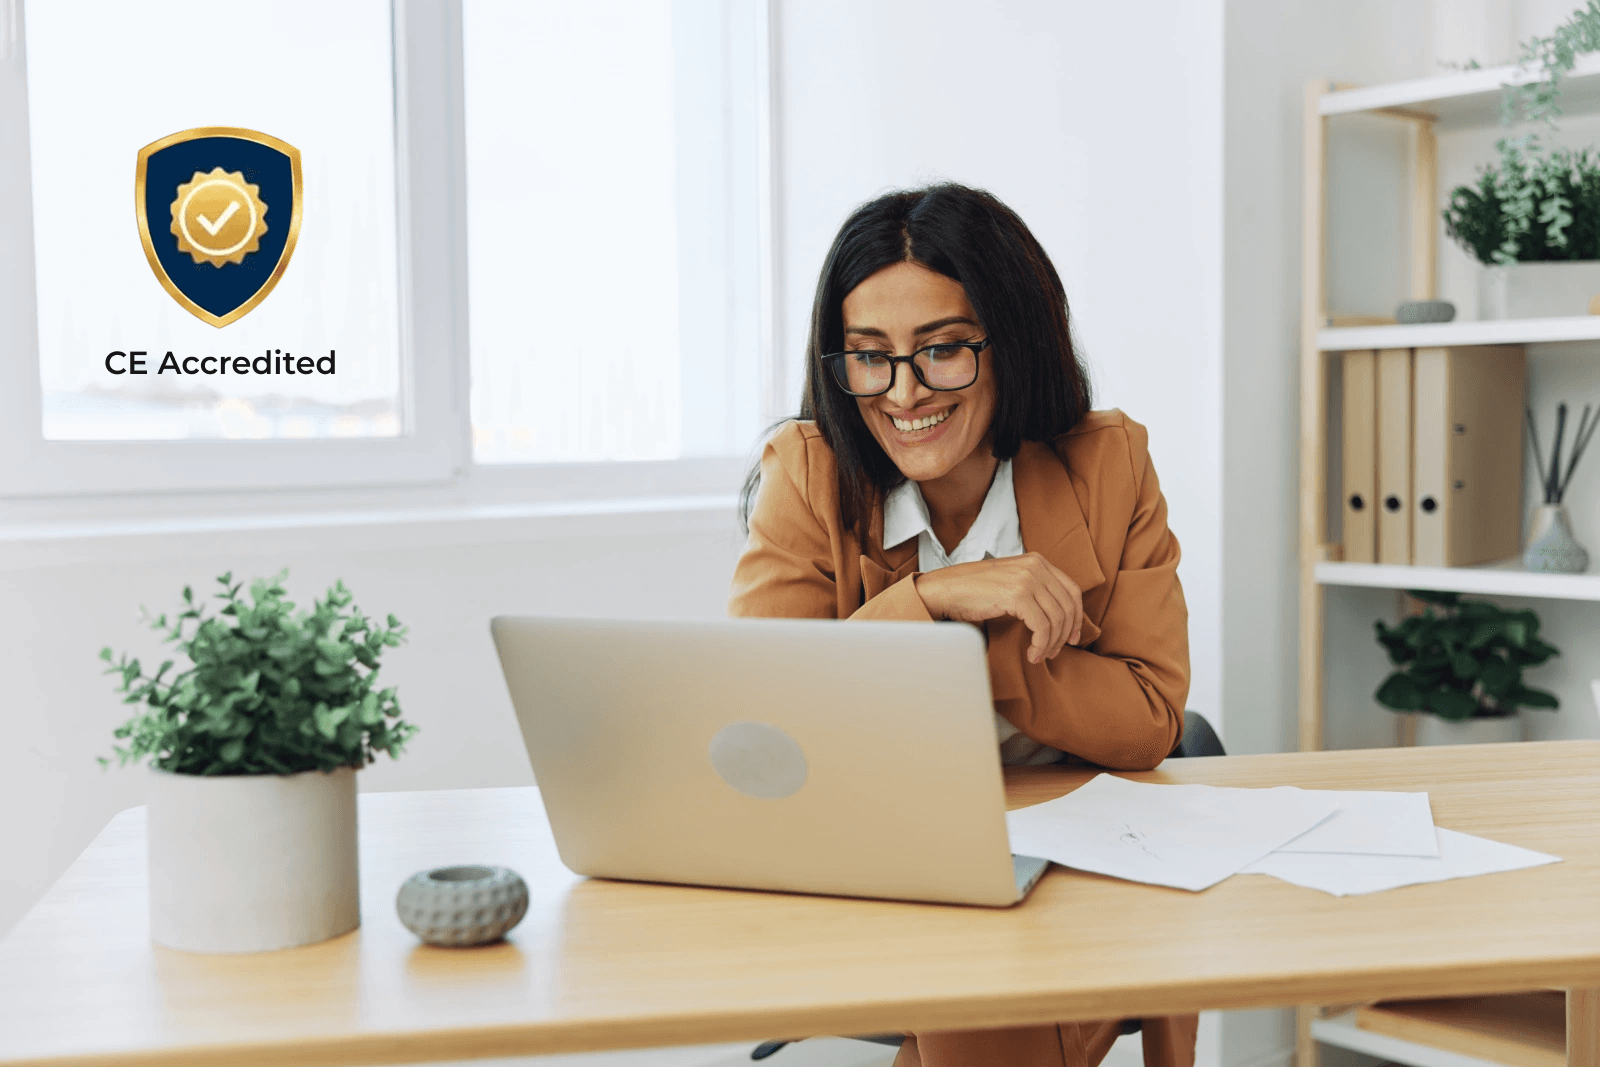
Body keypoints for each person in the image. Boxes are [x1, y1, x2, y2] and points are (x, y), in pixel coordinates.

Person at [727, 182, 1195, 1067]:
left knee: (987, 972)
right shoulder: (806, 471)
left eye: (942, 350)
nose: (904, 392)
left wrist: (980, 650)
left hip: (1067, 849)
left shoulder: (1111, 462)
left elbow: (1150, 719)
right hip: (877, 849)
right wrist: (937, 599)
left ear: (1011, 342)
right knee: (974, 961)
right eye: (870, 357)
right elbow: (763, 715)